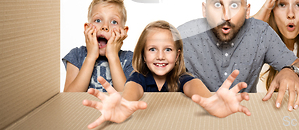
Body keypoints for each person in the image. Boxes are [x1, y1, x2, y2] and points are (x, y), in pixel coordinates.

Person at [178, 0, 299, 112]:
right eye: (217, 4)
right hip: (195, 117)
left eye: (234, 5)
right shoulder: (184, 36)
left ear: (247, 10)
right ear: (204, 9)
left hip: (245, 118)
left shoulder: (261, 33)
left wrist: (291, 71)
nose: (226, 15)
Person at [82, 20, 251, 129]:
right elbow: (131, 91)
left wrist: (212, 101)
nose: (160, 56)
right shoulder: (138, 78)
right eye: (153, 49)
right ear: (143, 54)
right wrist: (123, 104)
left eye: (168, 50)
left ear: (177, 55)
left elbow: (194, 86)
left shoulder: (182, 78)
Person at [63, 0, 132, 92]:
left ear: (123, 31)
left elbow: (127, 97)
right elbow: (69, 98)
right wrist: (91, 56)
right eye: (98, 20)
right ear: (87, 28)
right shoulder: (76, 55)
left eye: (114, 22)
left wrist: (113, 56)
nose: (105, 26)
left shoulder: (130, 59)